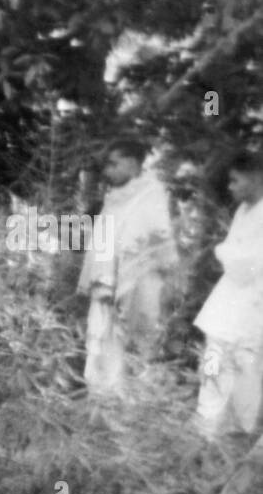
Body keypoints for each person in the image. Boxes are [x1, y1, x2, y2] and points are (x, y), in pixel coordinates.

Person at [76, 138, 178, 394]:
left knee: (130, 347)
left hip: (136, 284)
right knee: (101, 343)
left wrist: (124, 277)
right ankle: (101, 405)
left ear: (134, 164)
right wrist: (103, 277)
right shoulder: (114, 197)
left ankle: (126, 411)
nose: (108, 171)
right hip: (106, 283)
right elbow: (104, 240)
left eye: (114, 164)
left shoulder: (151, 194)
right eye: (106, 166)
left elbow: (153, 242)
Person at [193, 152, 263, 439]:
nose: (230, 187)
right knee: (212, 365)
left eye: (235, 180)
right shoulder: (243, 212)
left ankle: (237, 434)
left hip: (252, 311)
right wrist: (229, 253)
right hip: (225, 310)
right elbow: (237, 258)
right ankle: (206, 431)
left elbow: (248, 265)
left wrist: (223, 251)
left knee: (246, 373)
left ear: (257, 176)